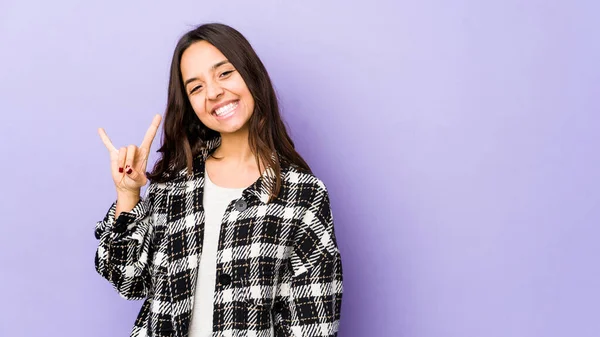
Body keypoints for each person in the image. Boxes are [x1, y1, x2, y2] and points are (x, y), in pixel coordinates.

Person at [94, 23, 343, 337]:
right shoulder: (174, 184)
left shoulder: (303, 196)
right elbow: (128, 280)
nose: (212, 92)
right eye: (196, 87)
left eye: (224, 73)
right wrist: (127, 195)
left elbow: (314, 325)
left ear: (250, 74)